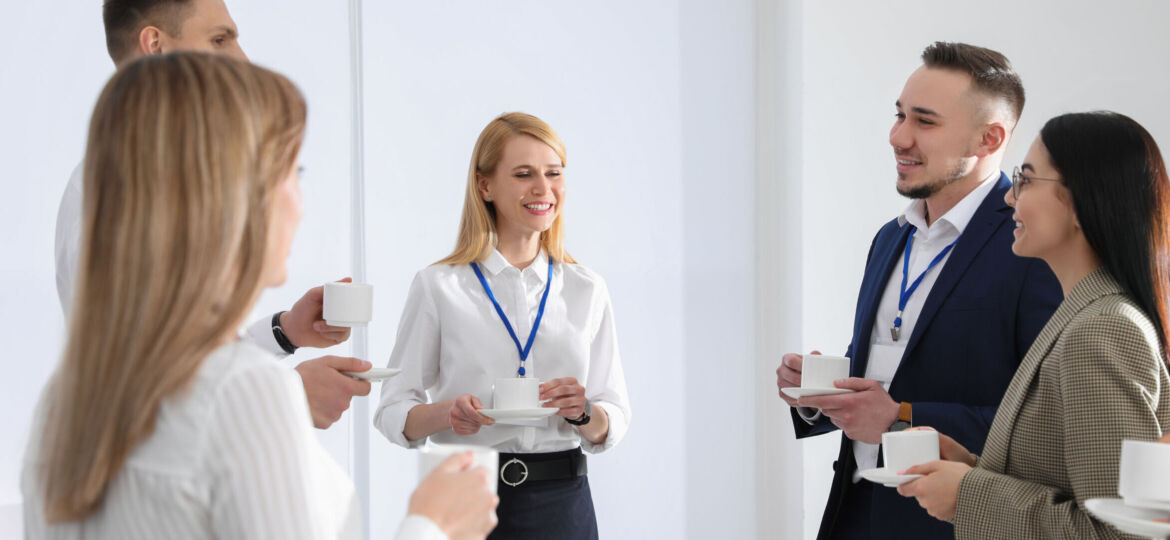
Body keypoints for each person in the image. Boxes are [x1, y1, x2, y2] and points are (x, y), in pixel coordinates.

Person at [22, 52, 498, 539]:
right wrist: (434, 525)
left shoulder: (67, 397)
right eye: (295, 172)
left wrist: (282, 338)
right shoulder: (242, 391)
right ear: (231, 196)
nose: (300, 201)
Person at [774, 42, 1063, 539]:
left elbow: (1047, 422)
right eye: (899, 115)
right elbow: (884, 370)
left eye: (924, 122)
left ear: (989, 138)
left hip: (951, 523)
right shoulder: (890, 238)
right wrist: (820, 399)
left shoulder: (1032, 245)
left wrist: (902, 418)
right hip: (853, 508)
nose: (897, 136)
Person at [54, 0, 370, 429]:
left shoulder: (168, 176)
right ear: (156, 45)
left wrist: (284, 331)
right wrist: (287, 397)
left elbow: (189, 359)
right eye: (220, 39)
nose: (242, 59)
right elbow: (143, 401)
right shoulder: (122, 195)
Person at [897, 111, 1170, 538]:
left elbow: (1119, 533)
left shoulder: (1100, 329)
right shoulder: (1081, 315)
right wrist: (972, 468)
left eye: (1025, 179)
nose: (1009, 198)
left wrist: (968, 494)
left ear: (1082, 202)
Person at [374, 112, 631, 540]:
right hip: (466, 498)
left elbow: (614, 416)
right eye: (524, 174)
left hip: (563, 503)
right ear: (485, 186)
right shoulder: (438, 286)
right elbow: (392, 412)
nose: (543, 189)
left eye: (554, 173)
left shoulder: (587, 289)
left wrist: (585, 413)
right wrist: (448, 414)